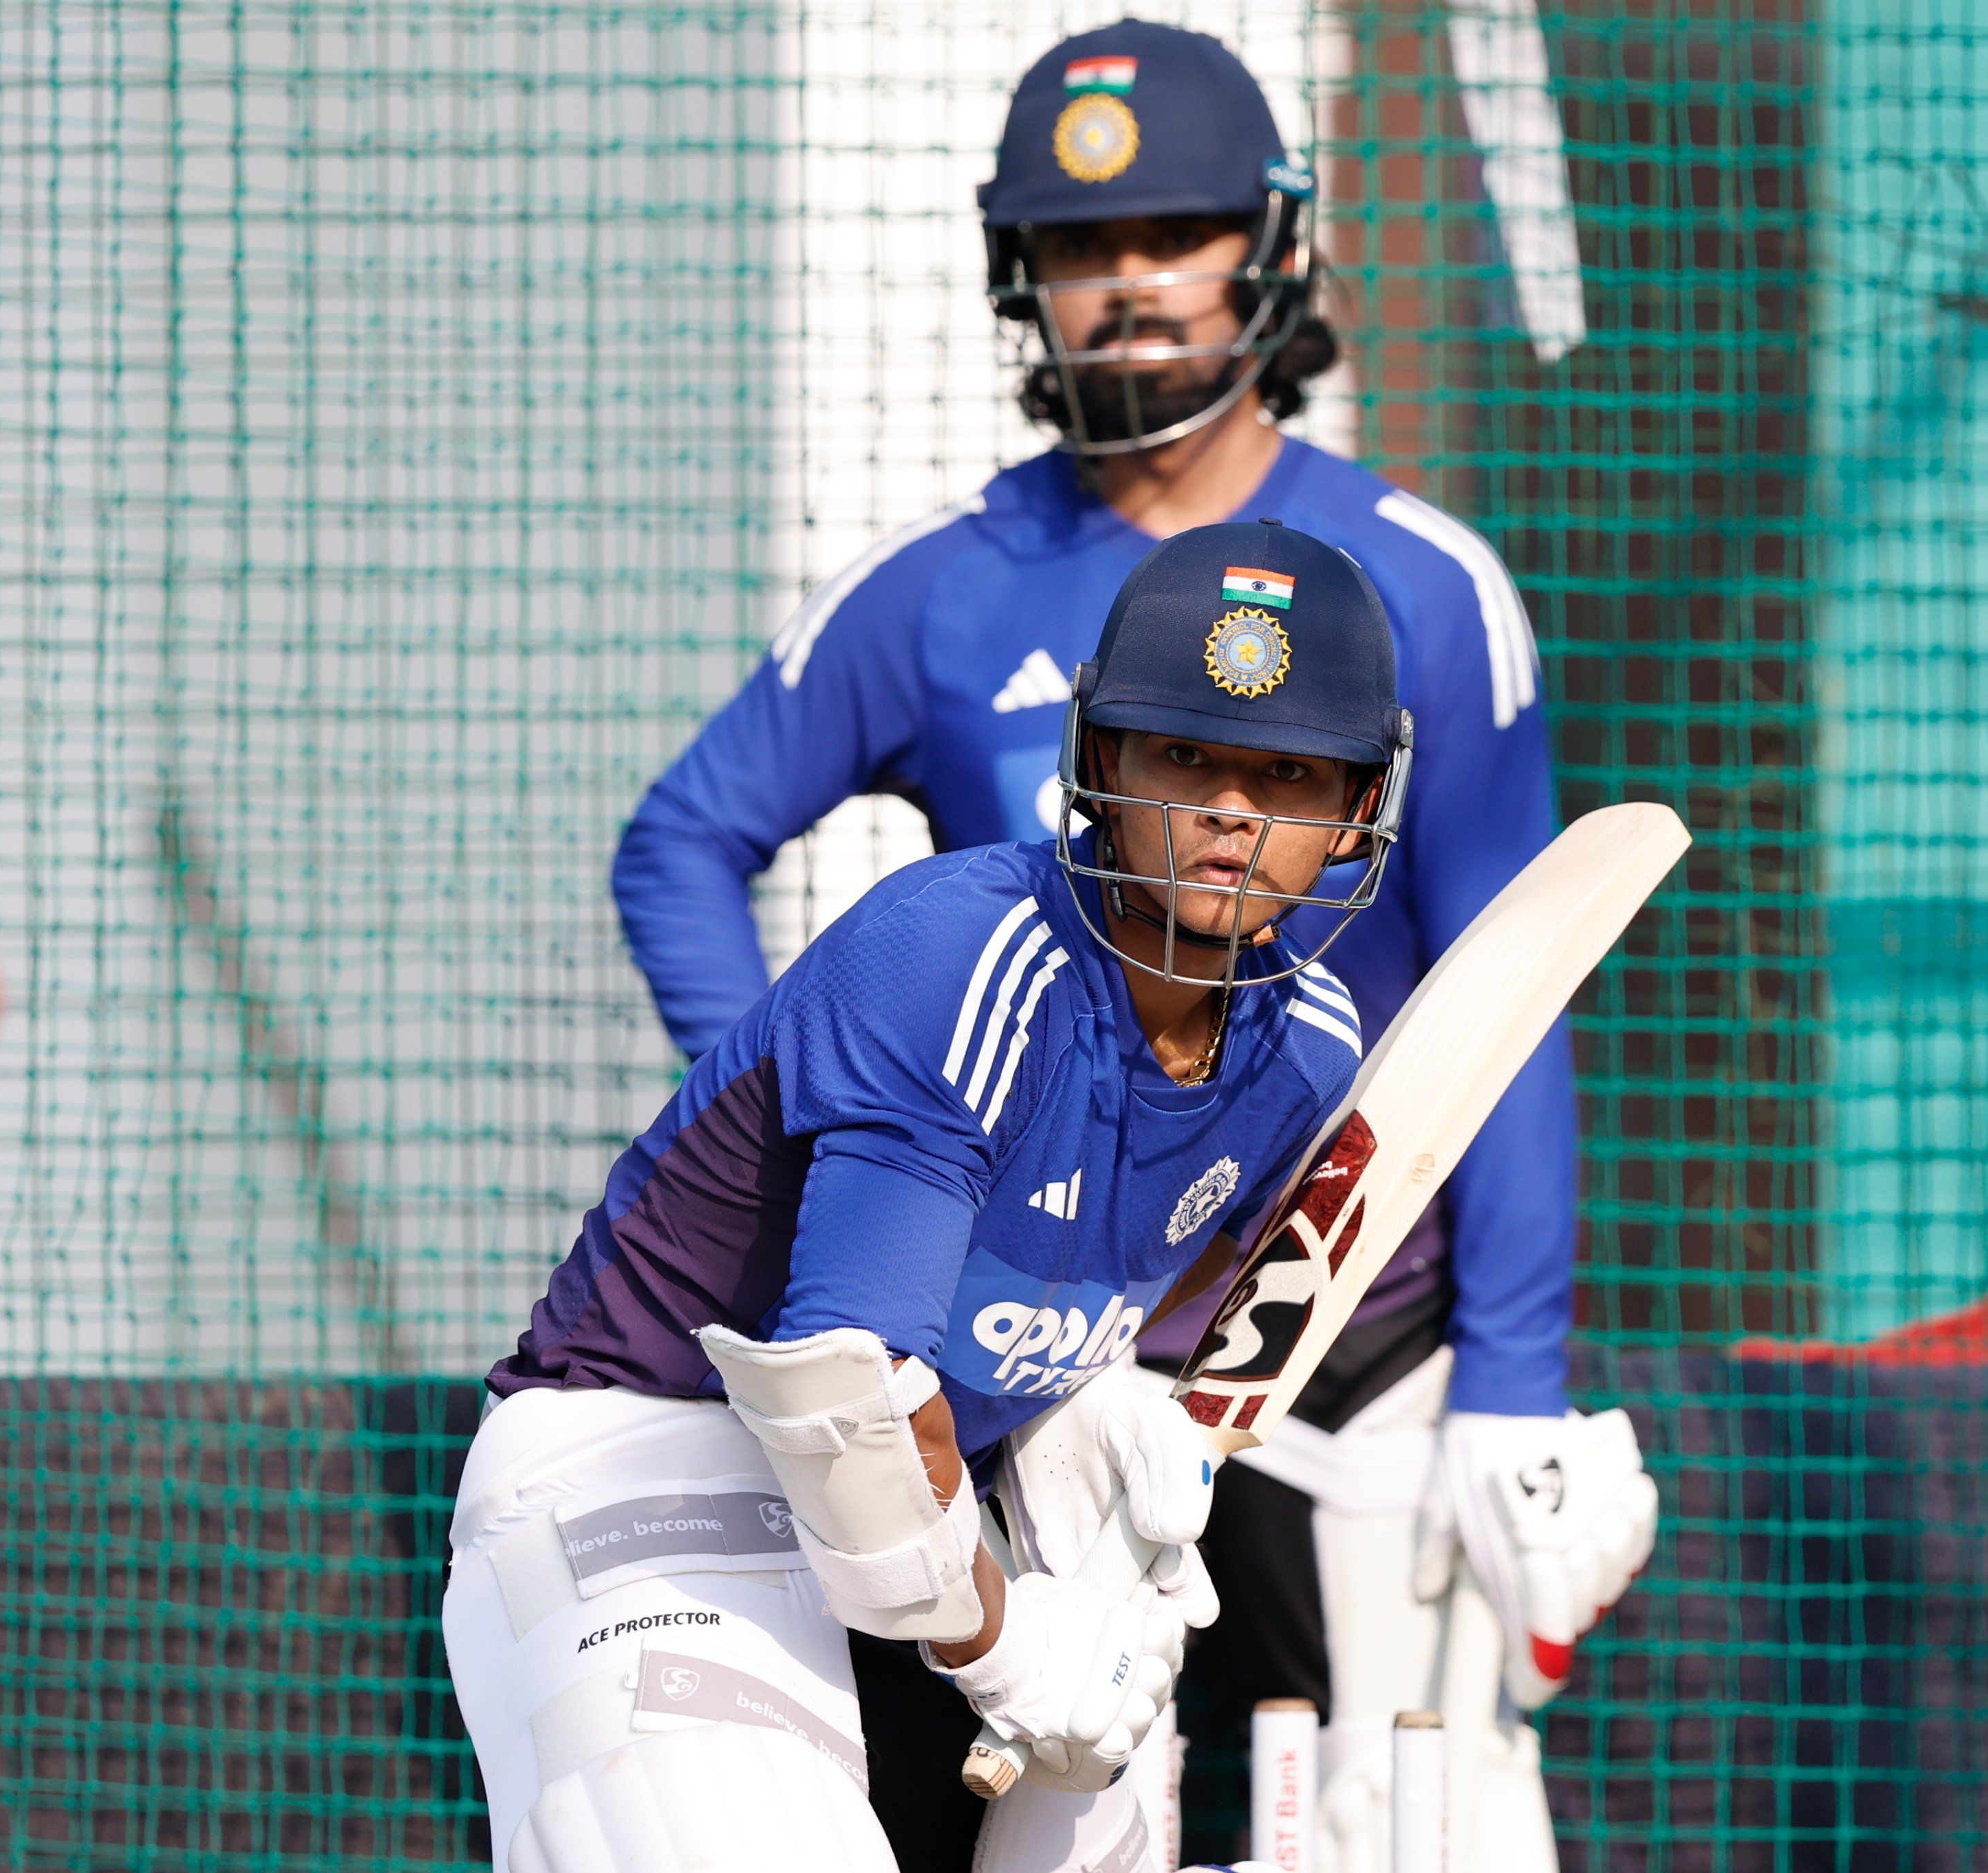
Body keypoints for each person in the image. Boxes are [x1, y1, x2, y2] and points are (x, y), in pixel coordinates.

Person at [609, 19, 1657, 1870]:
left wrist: (1510, 1382)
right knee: (1098, 1824)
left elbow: (1512, 999)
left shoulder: (1420, 578)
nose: (1129, 290)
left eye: (1169, 234)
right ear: (1029, 282)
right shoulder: (938, 590)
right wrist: (787, 1105)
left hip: (1358, 1341)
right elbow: (683, 841)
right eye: (1083, 250)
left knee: (1424, 1833)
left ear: (1268, 245)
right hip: (1060, 1371)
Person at [452, 523, 1411, 1873]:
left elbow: (1098, 1276)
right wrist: (1009, 1640)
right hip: (656, 1460)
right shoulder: (958, 958)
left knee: (1106, 1818)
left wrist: (1095, 1405)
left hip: (949, 1504)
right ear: (1096, 761)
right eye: (1184, 753)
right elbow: (839, 1397)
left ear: (1357, 807)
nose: (1233, 810)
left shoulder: (1307, 1046)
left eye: (1288, 773)